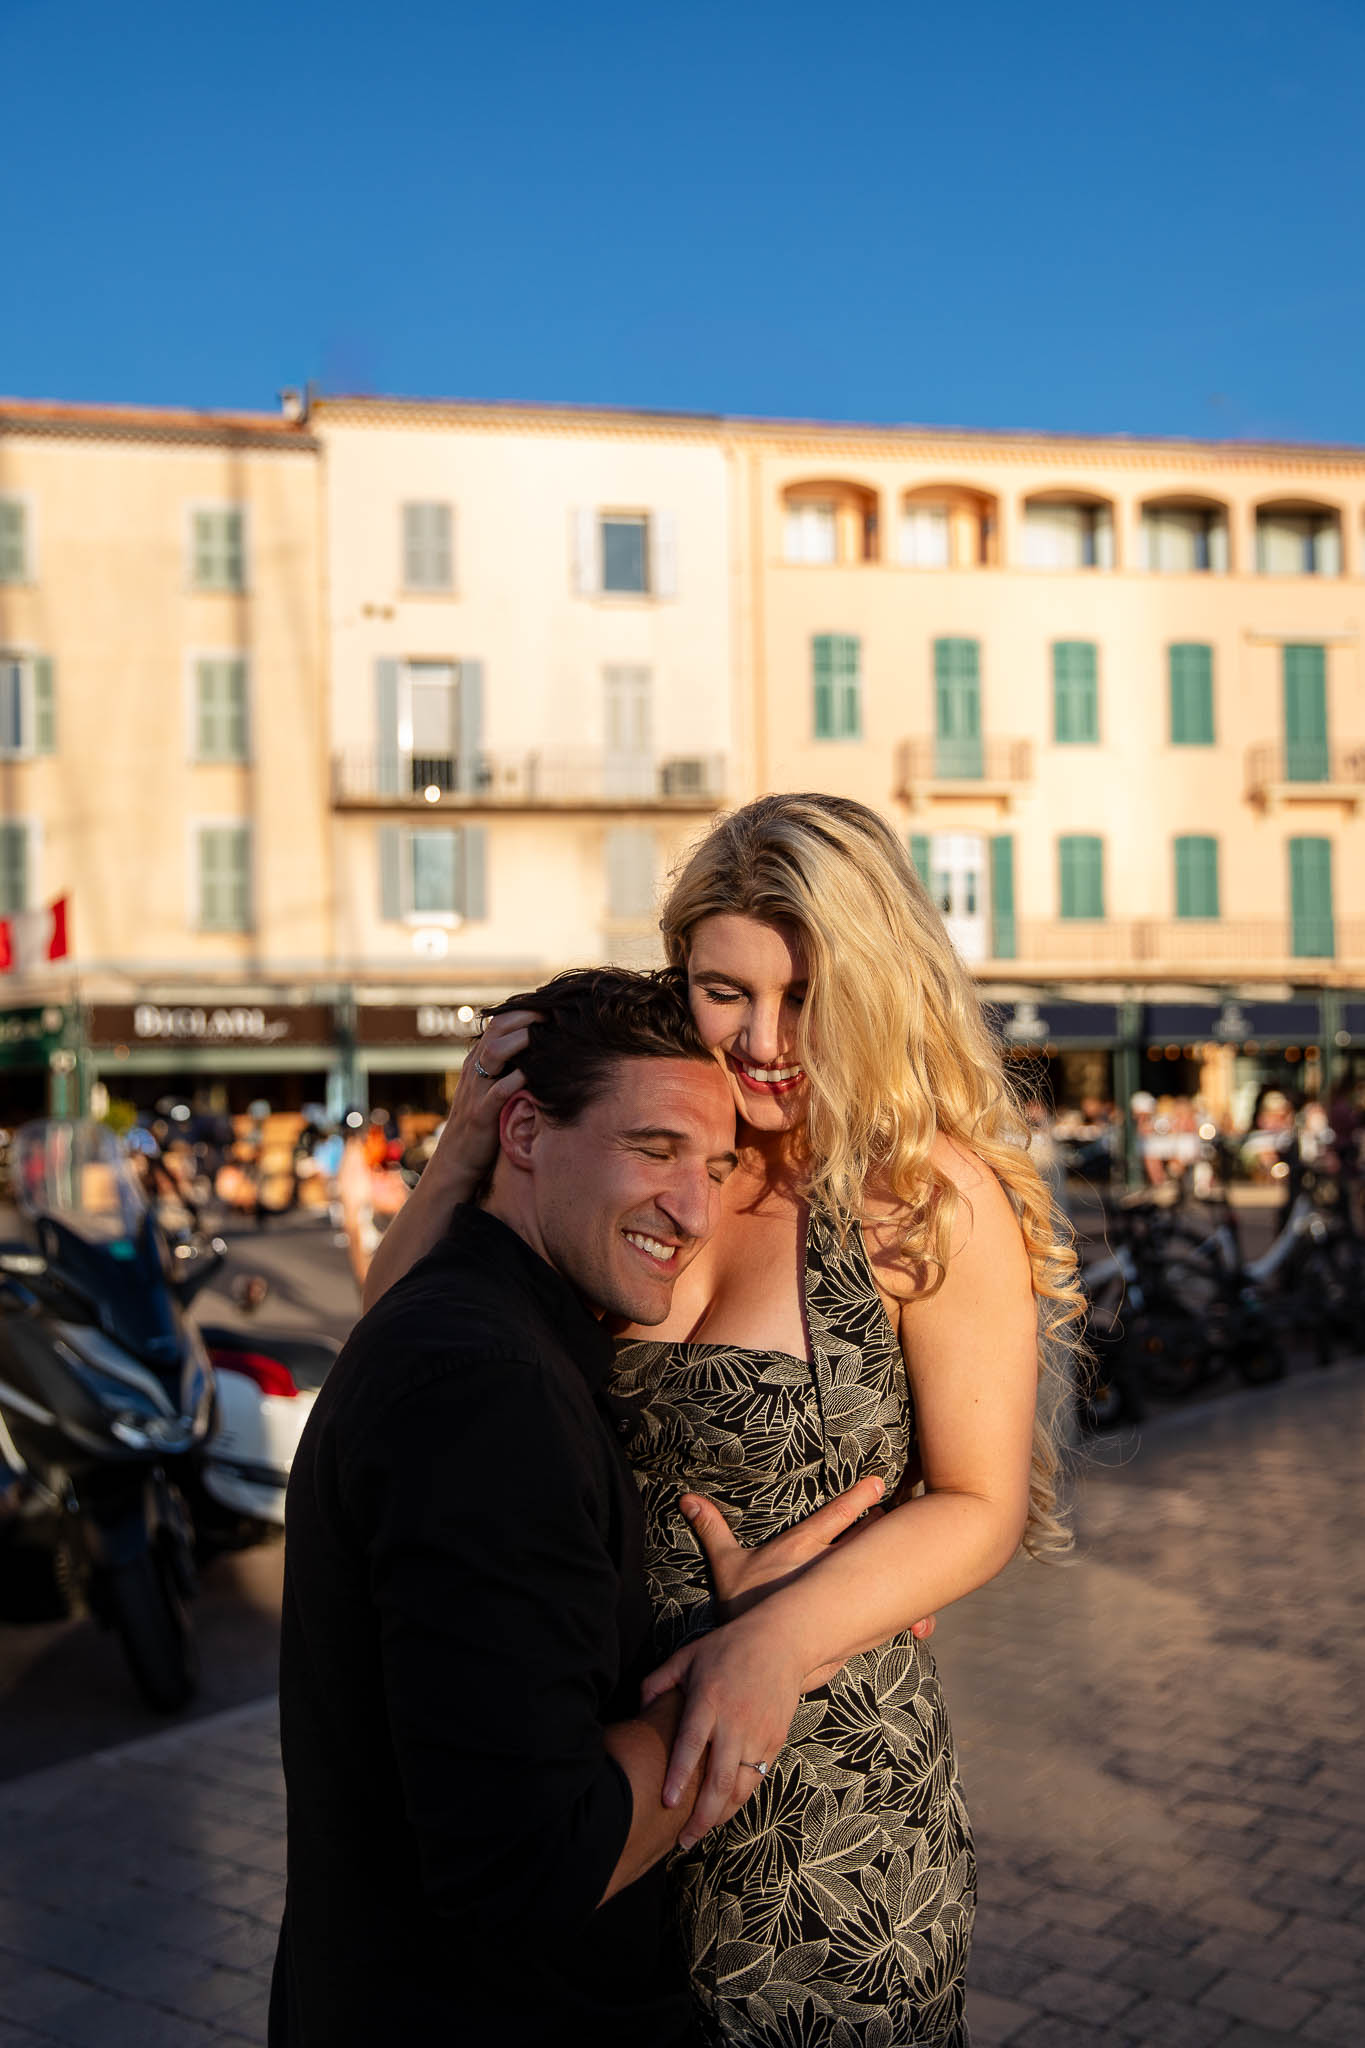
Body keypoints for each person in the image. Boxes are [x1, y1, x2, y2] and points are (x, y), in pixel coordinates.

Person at [365, 794, 1080, 2046]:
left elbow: (981, 1501)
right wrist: (466, 1144)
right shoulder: (639, 1146)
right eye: (724, 990)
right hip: (604, 1772)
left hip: (824, 1799)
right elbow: (406, 1346)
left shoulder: (923, 1194)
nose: (763, 1040)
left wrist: (776, 1638)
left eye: (804, 995)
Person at [273, 969, 747, 2045]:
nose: (695, 1210)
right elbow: (533, 1864)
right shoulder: (486, 1388)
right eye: (655, 1149)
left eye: (716, 1167)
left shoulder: (470, 1331)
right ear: (524, 1131)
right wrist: (741, 1672)